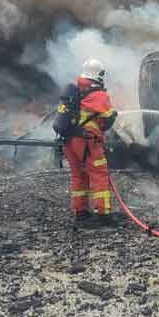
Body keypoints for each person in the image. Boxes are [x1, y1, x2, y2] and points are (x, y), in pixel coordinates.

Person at [63, 58, 118, 226]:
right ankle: (104, 214)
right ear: (99, 75)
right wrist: (114, 113)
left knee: (79, 175)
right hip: (87, 142)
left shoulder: (75, 90)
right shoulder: (98, 95)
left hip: (69, 141)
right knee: (99, 174)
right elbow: (107, 119)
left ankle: (80, 212)